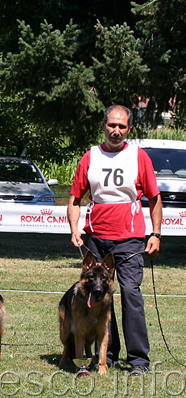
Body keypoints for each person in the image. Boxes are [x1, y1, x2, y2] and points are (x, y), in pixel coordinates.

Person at [67, 105, 162, 376]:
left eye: (121, 126)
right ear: (104, 126)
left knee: (131, 293)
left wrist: (155, 233)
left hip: (130, 239)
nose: (116, 131)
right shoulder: (90, 157)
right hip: (96, 238)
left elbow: (154, 198)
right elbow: (75, 198)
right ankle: (105, 355)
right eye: (111, 125)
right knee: (98, 295)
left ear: (128, 129)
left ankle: (138, 361)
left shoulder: (138, 156)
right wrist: (74, 228)